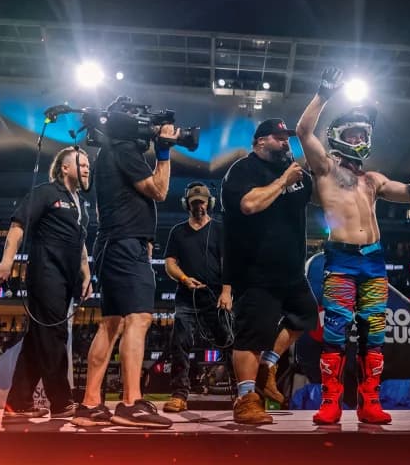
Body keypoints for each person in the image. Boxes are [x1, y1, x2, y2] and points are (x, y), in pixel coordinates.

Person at [295, 67, 410, 425]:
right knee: (335, 331)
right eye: (353, 131)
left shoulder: (373, 178)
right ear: (338, 136)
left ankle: (369, 402)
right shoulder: (325, 169)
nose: (359, 136)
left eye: (362, 132)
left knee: (374, 334)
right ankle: (331, 401)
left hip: (374, 260)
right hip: (341, 258)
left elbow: (409, 193)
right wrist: (323, 93)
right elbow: (303, 131)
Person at [71, 124, 179, 428]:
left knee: (112, 323)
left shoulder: (111, 151)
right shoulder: (125, 149)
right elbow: (159, 190)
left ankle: (90, 403)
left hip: (113, 244)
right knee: (139, 318)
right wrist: (164, 152)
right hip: (125, 244)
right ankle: (131, 403)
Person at [220, 118, 317, 425]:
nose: (286, 142)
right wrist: (282, 183)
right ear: (259, 142)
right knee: (250, 337)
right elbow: (249, 204)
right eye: (278, 138)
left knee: (307, 316)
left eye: (287, 138)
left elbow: (320, 189)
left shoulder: (296, 174)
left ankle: (268, 366)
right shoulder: (242, 170)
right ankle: (246, 399)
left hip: (290, 270)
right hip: (254, 271)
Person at [0, 146, 92, 421]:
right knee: (54, 336)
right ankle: (62, 402)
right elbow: (17, 226)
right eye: (81, 164)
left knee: (36, 341)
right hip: (45, 276)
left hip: (67, 281)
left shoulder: (80, 205)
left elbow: (80, 243)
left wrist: (86, 274)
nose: (87, 169)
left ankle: (17, 405)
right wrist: (7, 261)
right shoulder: (46, 192)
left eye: (88, 165)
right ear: (64, 168)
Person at [161, 182, 231, 413]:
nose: (199, 206)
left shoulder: (221, 229)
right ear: (187, 205)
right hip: (186, 296)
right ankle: (179, 394)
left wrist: (226, 291)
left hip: (215, 296)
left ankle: (243, 393)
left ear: (209, 203)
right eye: (194, 203)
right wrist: (183, 278)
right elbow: (170, 263)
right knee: (179, 341)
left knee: (229, 342)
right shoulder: (178, 232)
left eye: (202, 202)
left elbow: (229, 264)